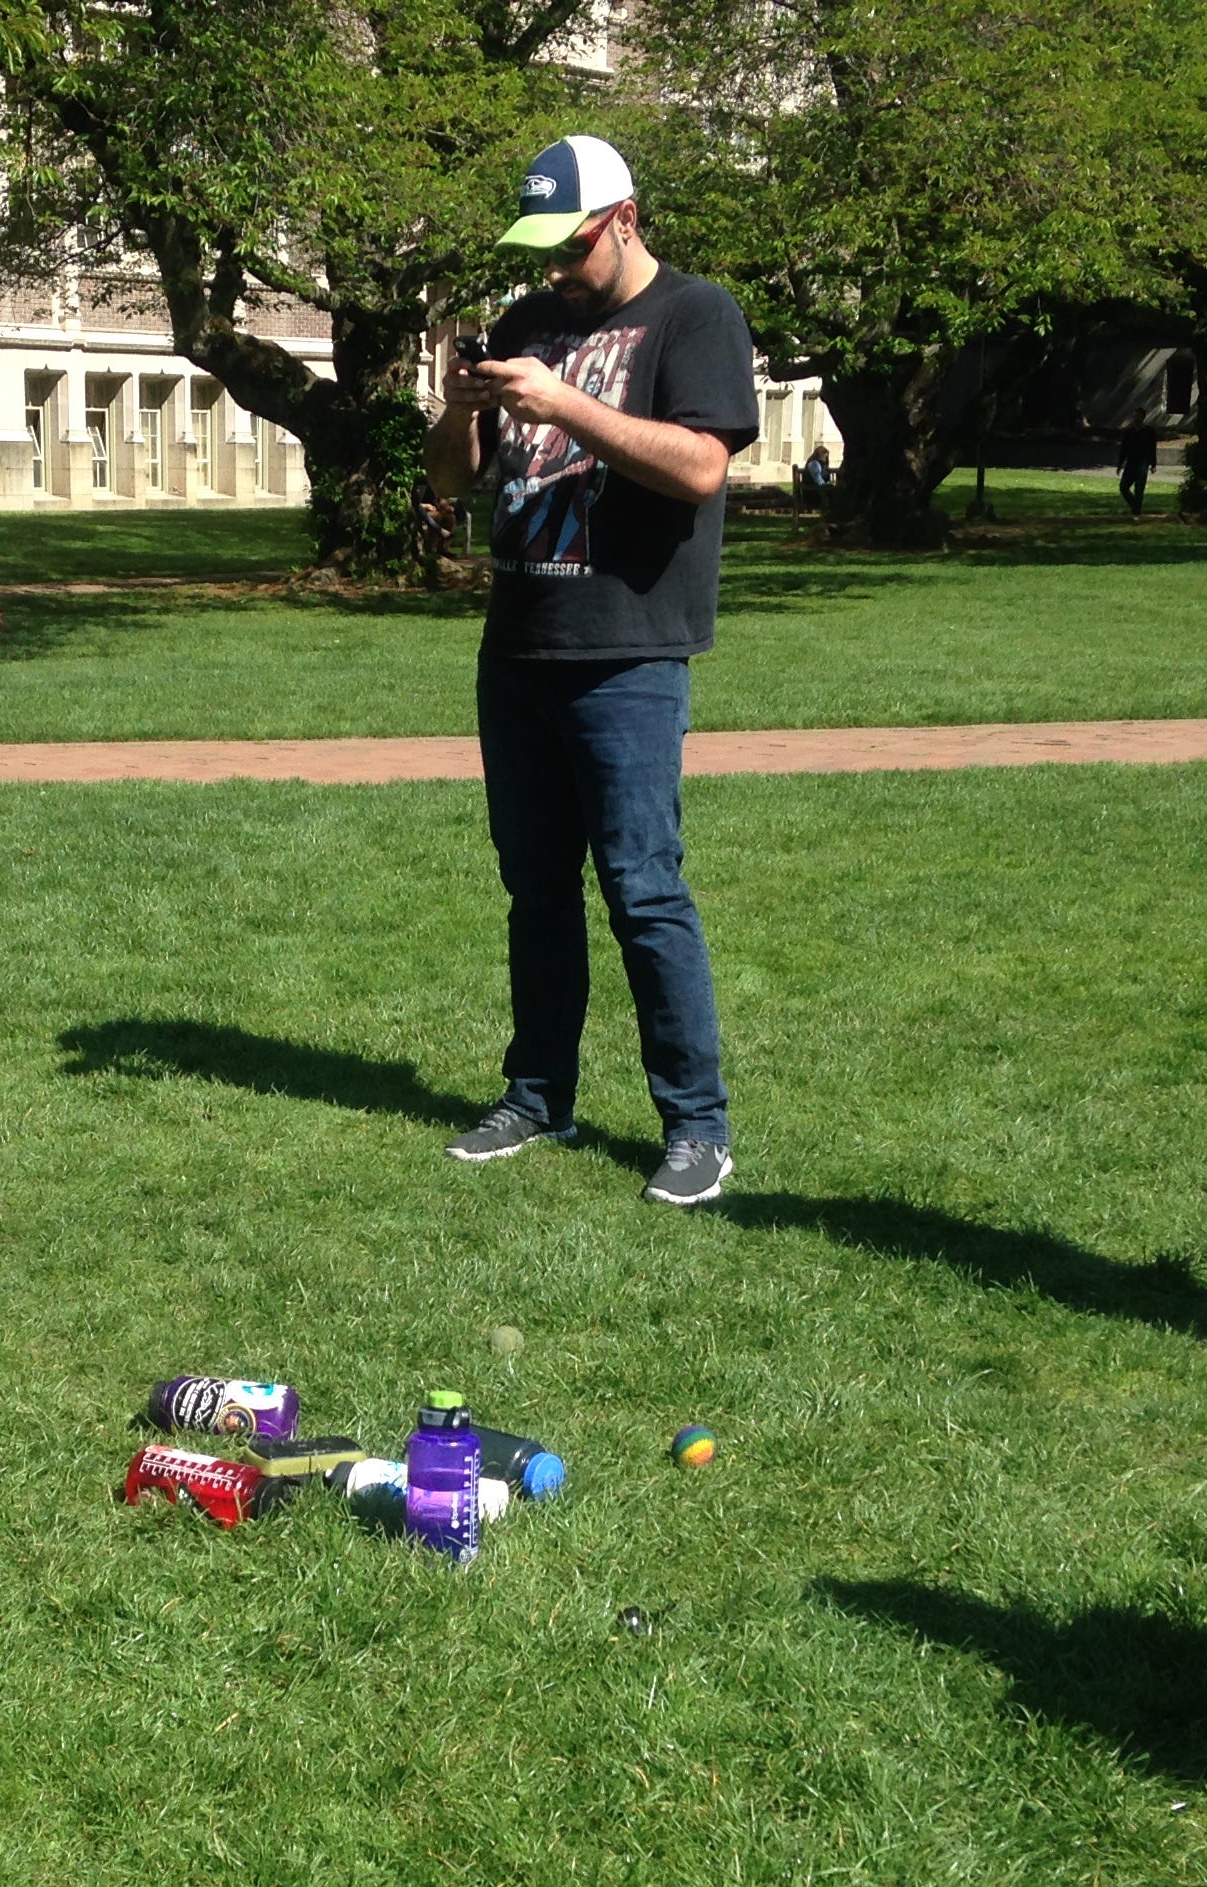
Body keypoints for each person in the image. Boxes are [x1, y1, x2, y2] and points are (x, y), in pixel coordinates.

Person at [427, 133, 758, 1207]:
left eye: (569, 250)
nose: (555, 274)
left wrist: (564, 402)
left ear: (623, 218)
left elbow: (703, 466)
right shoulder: (531, 324)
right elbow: (450, 480)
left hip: (629, 652)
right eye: (542, 255)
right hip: (518, 643)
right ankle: (538, 1094)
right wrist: (461, 409)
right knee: (535, 890)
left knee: (642, 888)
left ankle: (697, 1128)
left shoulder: (696, 316)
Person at [1116, 421, 1157, 515]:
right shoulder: (1129, 432)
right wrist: (1120, 465)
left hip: (1143, 463)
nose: (1136, 419)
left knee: (1139, 489)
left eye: (1138, 416)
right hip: (1131, 463)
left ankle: (1136, 511)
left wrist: (1153, 464)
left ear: (1142, 417)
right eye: (1135, 417)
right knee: (1123, 487)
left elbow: (1152, 448)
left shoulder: (1149, 431)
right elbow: (1124, 449)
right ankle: (1135, 505)